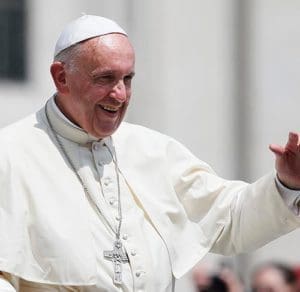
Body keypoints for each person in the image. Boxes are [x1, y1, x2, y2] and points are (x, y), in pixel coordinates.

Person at [0, 14, 300, 292]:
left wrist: (287, 183)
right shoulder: (10, 155)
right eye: (104, 78)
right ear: (61, 77)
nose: (119, 94)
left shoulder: (154, 151)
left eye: (127, 79)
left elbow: (230, 220)